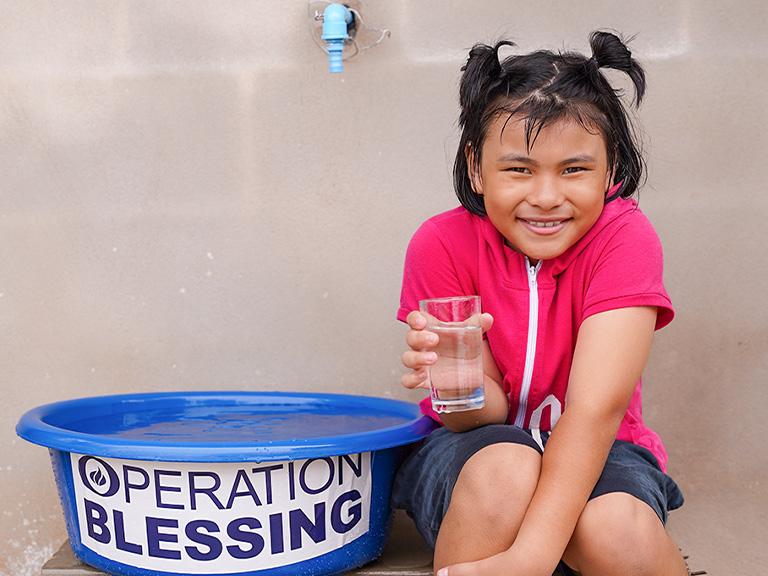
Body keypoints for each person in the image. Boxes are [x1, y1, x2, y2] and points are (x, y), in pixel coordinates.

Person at [392, 31, 688, 576]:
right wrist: (455, 378)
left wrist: (530, 557)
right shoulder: (441, 243)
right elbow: (486, 416)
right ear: (477, 168)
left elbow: (595, 412)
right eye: (519, 169)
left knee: (615, 528)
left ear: (611, 167)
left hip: (602, 446)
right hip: (479, 454)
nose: (546, 197)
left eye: (574, 169)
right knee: (507, 468)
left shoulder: (625, 238)